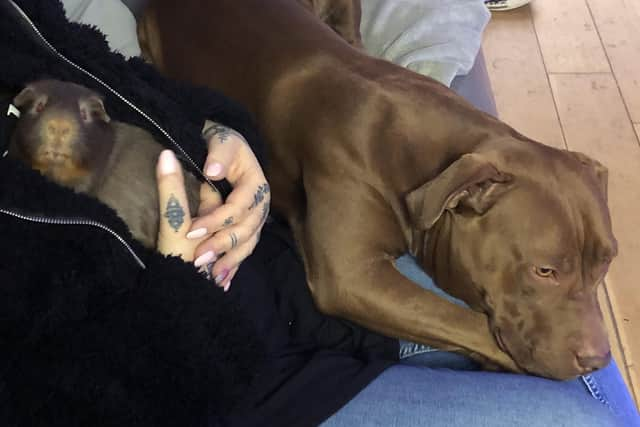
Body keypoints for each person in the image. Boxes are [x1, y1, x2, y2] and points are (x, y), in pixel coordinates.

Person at [1, 1, 637, 426]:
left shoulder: (25, 23)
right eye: (555, 274)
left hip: (282, 269)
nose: (596, 337)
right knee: (587, 408)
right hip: (240, 376)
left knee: (598, 384)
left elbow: (123, 78)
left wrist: (225, 132)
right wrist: (501, 346)